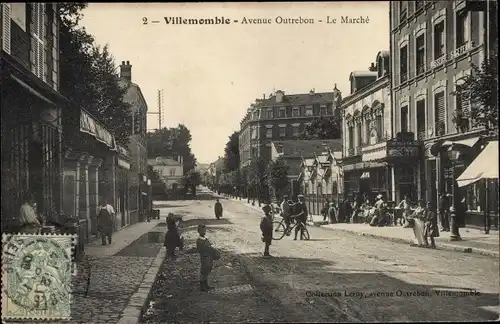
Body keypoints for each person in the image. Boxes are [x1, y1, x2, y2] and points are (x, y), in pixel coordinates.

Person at [196, 224, 220, 291]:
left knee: (207, 271)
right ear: (199, 231)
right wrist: (210, 249)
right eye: (202, 231)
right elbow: (200, 250)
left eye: (204, 230)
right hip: (204, 257)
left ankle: (206, 284)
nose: (204, 232)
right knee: (203, 271)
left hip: (208, 258)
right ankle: (202, 286)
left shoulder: (205, 239)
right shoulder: (199, 240)